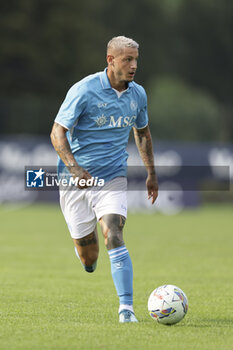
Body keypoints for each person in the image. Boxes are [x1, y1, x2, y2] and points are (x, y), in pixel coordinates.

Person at [50, 36, 158, 323]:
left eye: (136, 59)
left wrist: (151, 173)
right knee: (90, 258)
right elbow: (57, 133)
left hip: (112, 177)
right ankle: (86, 255)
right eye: (127, 59)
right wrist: (74, 169)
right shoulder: (84, 90)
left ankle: (126, 309)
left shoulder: (138, 95)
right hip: (75, 181)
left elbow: (142, 133)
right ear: (110, 60)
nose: (134, 65)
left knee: (113, 233)